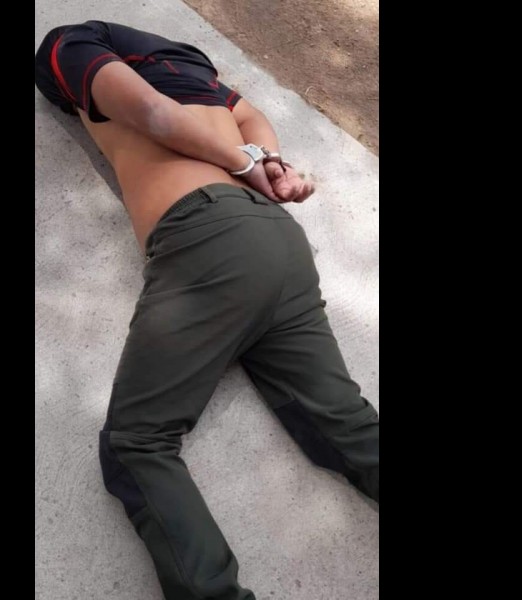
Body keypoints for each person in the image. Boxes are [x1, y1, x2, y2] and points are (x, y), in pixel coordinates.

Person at [35, 20, 378, 600]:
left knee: (137, 443)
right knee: (342, 426)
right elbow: (253, 119)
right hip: (279, 245)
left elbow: (154, 114)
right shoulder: (204, 80)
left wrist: (246, 164)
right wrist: (269, 161)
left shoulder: (72, 45)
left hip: (207, 237)